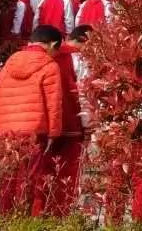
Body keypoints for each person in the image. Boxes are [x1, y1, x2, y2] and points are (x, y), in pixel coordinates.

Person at [0, 25, 65, 217]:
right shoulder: (50, 66)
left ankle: (5, 220)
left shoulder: (9, 63)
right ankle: (23, 221)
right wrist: (54, 133)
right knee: (29, 179)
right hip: (33, 130)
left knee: (7, 178)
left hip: (5, 130)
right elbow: (53, 103)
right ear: (53, 45)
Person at [43, 24, 89, 217]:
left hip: (42, 125)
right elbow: (85, 93)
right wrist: (88, 126)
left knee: (42, 174)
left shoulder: (44, 55)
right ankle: (60, 217)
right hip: (71, 124)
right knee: (67, 176)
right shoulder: (79, 58)